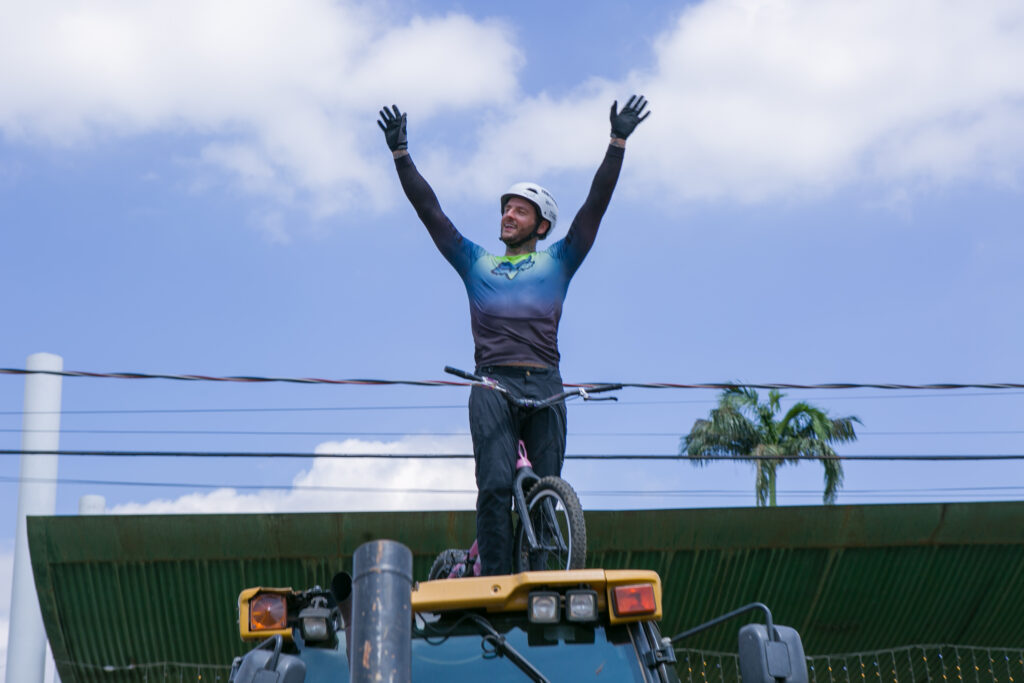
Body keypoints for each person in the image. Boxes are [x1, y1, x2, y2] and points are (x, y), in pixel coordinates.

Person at [378, 95, 650, 575]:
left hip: (546, 381)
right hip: (491, 384)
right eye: (505, 208)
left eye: (519, 211)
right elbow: (431, 213)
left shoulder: (559, 260)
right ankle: (495, 580)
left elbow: (596, 207)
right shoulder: (476, 262)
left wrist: (617, 142)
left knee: (547, 487)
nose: (507, 215)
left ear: (541, 225)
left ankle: (544, 576)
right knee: (496, 485)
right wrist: (402, 155)